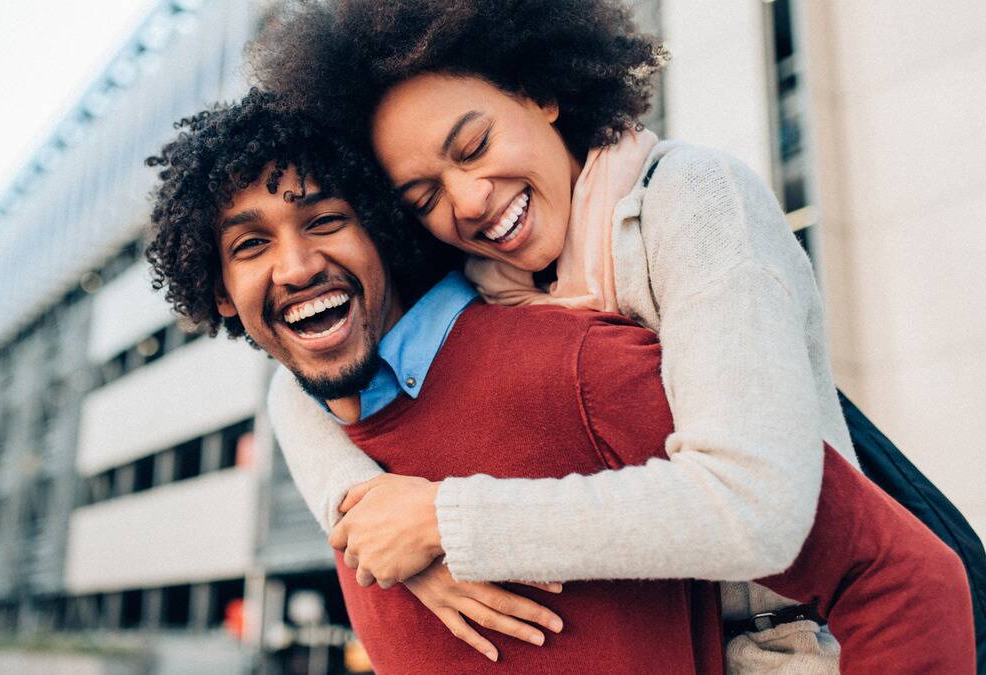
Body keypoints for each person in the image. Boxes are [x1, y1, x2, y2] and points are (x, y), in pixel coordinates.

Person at [145, 90, 973, 673]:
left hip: (801, 638)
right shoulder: (503, 283)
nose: (471, 199)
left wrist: (445, 521)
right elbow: (293, 392)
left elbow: (797, 526)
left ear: (542, 95)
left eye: (473, 145)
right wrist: (354, 504)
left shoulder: (672, 220)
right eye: (424, 192)